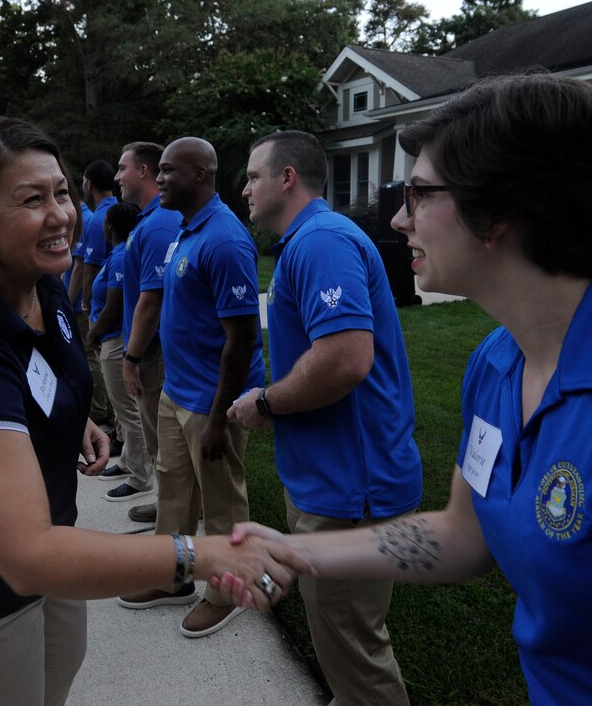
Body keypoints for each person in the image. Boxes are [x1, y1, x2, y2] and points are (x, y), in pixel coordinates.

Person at [219, 74, 592, 705]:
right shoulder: (498, 362)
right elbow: (462, 535)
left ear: (500, 211)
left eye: (421, 194)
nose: (400, 219)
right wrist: (297, 552)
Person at [0, 116, 310, 706]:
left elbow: (42, 385)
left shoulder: (43, 288)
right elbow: (25, 555)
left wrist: (74, 420)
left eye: (61, 191)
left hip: (56, 570)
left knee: (57, 681)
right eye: (31, 199)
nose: (61, 213)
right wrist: (200, 553)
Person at [227, 130, 421, 706]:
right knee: (343, 642)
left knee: (354, 649)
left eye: (253, 176)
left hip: (349, 490)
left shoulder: (320, 242)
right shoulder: (312, 241)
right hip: (336, 480)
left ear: (287, 178)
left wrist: (264, 402)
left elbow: (343, 359)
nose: (244, 189)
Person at [117, 137, 265, 638]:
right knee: (174, 492)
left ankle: (228, 588)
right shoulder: (185, 228)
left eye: (168, 171)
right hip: (176, 392)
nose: (159, 179)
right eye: (157, 171)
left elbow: (243, 338)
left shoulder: (225, 240)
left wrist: (221, 416)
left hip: (210, 401)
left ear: (201, 174)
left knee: (222, 501)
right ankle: (174, 578)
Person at [115, 141, 183, 524]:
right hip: (149, 350)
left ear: (143, 171)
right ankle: (173, 502)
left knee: (162, 438)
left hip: (151, 352)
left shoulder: (158, 224)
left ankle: (171, 505)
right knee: (160, 435)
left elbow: (152, 300)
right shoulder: (150, 220)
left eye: (122, 168)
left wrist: (133, 357)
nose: (117, 176)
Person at [87, 201, 147, 492]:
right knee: (123, 409)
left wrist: (92, 333)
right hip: (108, 338)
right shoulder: (118, 254)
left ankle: (139, 476)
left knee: (128, 410)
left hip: (114, 338)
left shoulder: (123, 257)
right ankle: (126, 461)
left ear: (109, 225)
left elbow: (113, 308)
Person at [68, 160, 118, 430]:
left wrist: (76, 301)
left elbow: (83, 268)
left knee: (91, 355)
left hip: (95, 305)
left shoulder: (96, 218)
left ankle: (99, 412)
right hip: (113, 301)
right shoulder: (117, 211)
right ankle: (109, 412)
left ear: (88, 184)